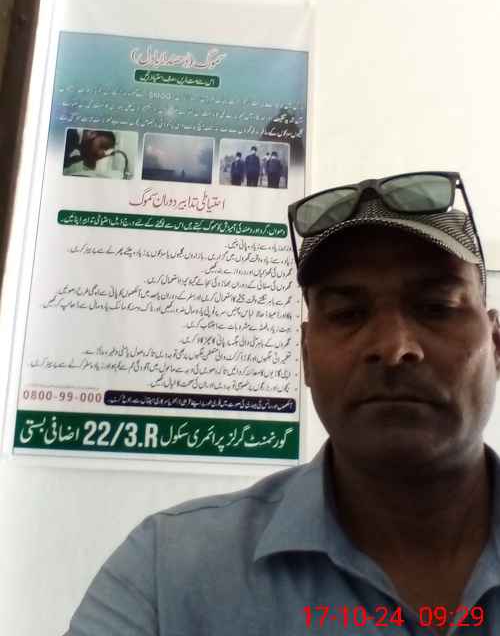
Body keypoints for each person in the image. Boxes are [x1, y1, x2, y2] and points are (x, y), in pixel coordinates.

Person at [65, 171, 500, 636]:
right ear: (306, 357)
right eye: (347, 314)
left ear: (495, 344)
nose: (394, 349)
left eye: (435, 307)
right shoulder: (165, 570)